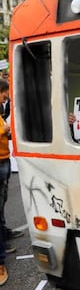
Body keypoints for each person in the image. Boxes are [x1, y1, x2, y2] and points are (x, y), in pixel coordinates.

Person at [0, 78, 22, 254]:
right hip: (0, 162)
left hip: (4, 159)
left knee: (2, 201)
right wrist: (5, 130)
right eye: (4, 95)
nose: (5, 98)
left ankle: (4, 233)